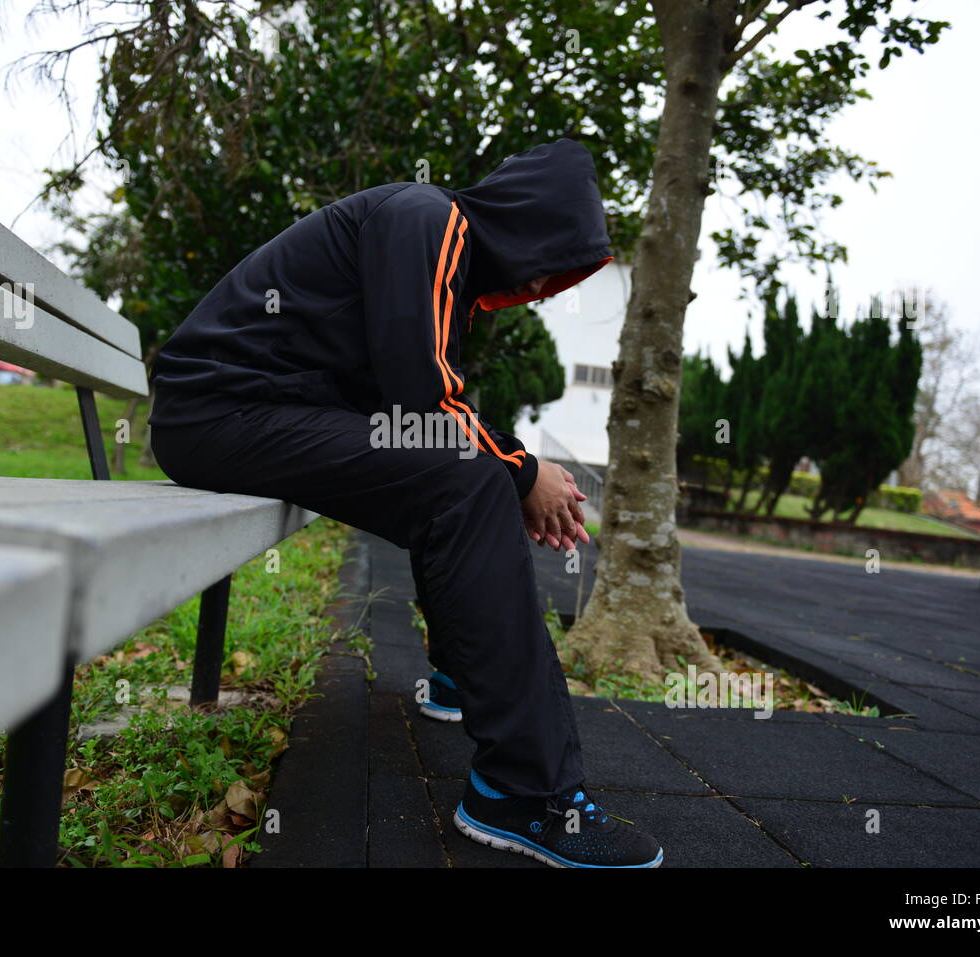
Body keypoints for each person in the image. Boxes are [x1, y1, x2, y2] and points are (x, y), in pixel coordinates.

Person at [147, 139, 663, 868]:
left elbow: (405, 407)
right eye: (553, 265)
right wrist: (523, 471)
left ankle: (462, 672)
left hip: (242, 412)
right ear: (529, 225)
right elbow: (419, 401)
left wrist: (509, 469)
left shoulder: (436, 247)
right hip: (218, 415)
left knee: (461, 477)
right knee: (471, 477)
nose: (547, 288)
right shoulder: (428, 219)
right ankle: (522, 791)